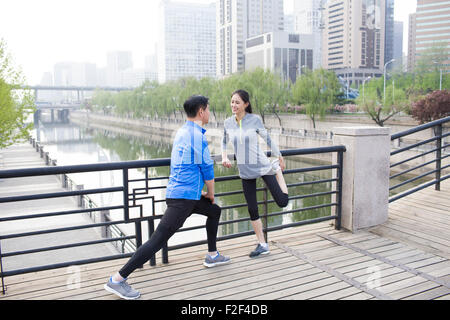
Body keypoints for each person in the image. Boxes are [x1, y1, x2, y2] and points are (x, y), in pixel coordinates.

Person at [104, 95, 230, 300]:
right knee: (157, 241)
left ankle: (213, 255)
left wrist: (202, 195)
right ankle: (117, 279)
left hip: (184, 195)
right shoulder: (197, 136)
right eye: (208, 109)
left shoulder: (182, 131)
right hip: (183, 199)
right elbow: (207, 170)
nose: (209, 113)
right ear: (201, 111)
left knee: (214, 211)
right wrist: (211, 194)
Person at [221, 89, 289, 258]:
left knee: (282, 201)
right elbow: (224, 142)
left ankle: (278, 171)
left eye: (237, 102)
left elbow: (268, 139)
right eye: (232, 102)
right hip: (244, 170)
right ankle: (262, 244)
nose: (234, 105)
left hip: (262, 166)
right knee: (252, 209)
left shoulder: (255, 120)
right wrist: (224, 157)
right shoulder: (228, 122)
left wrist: (279, 156)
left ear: (246, 104)